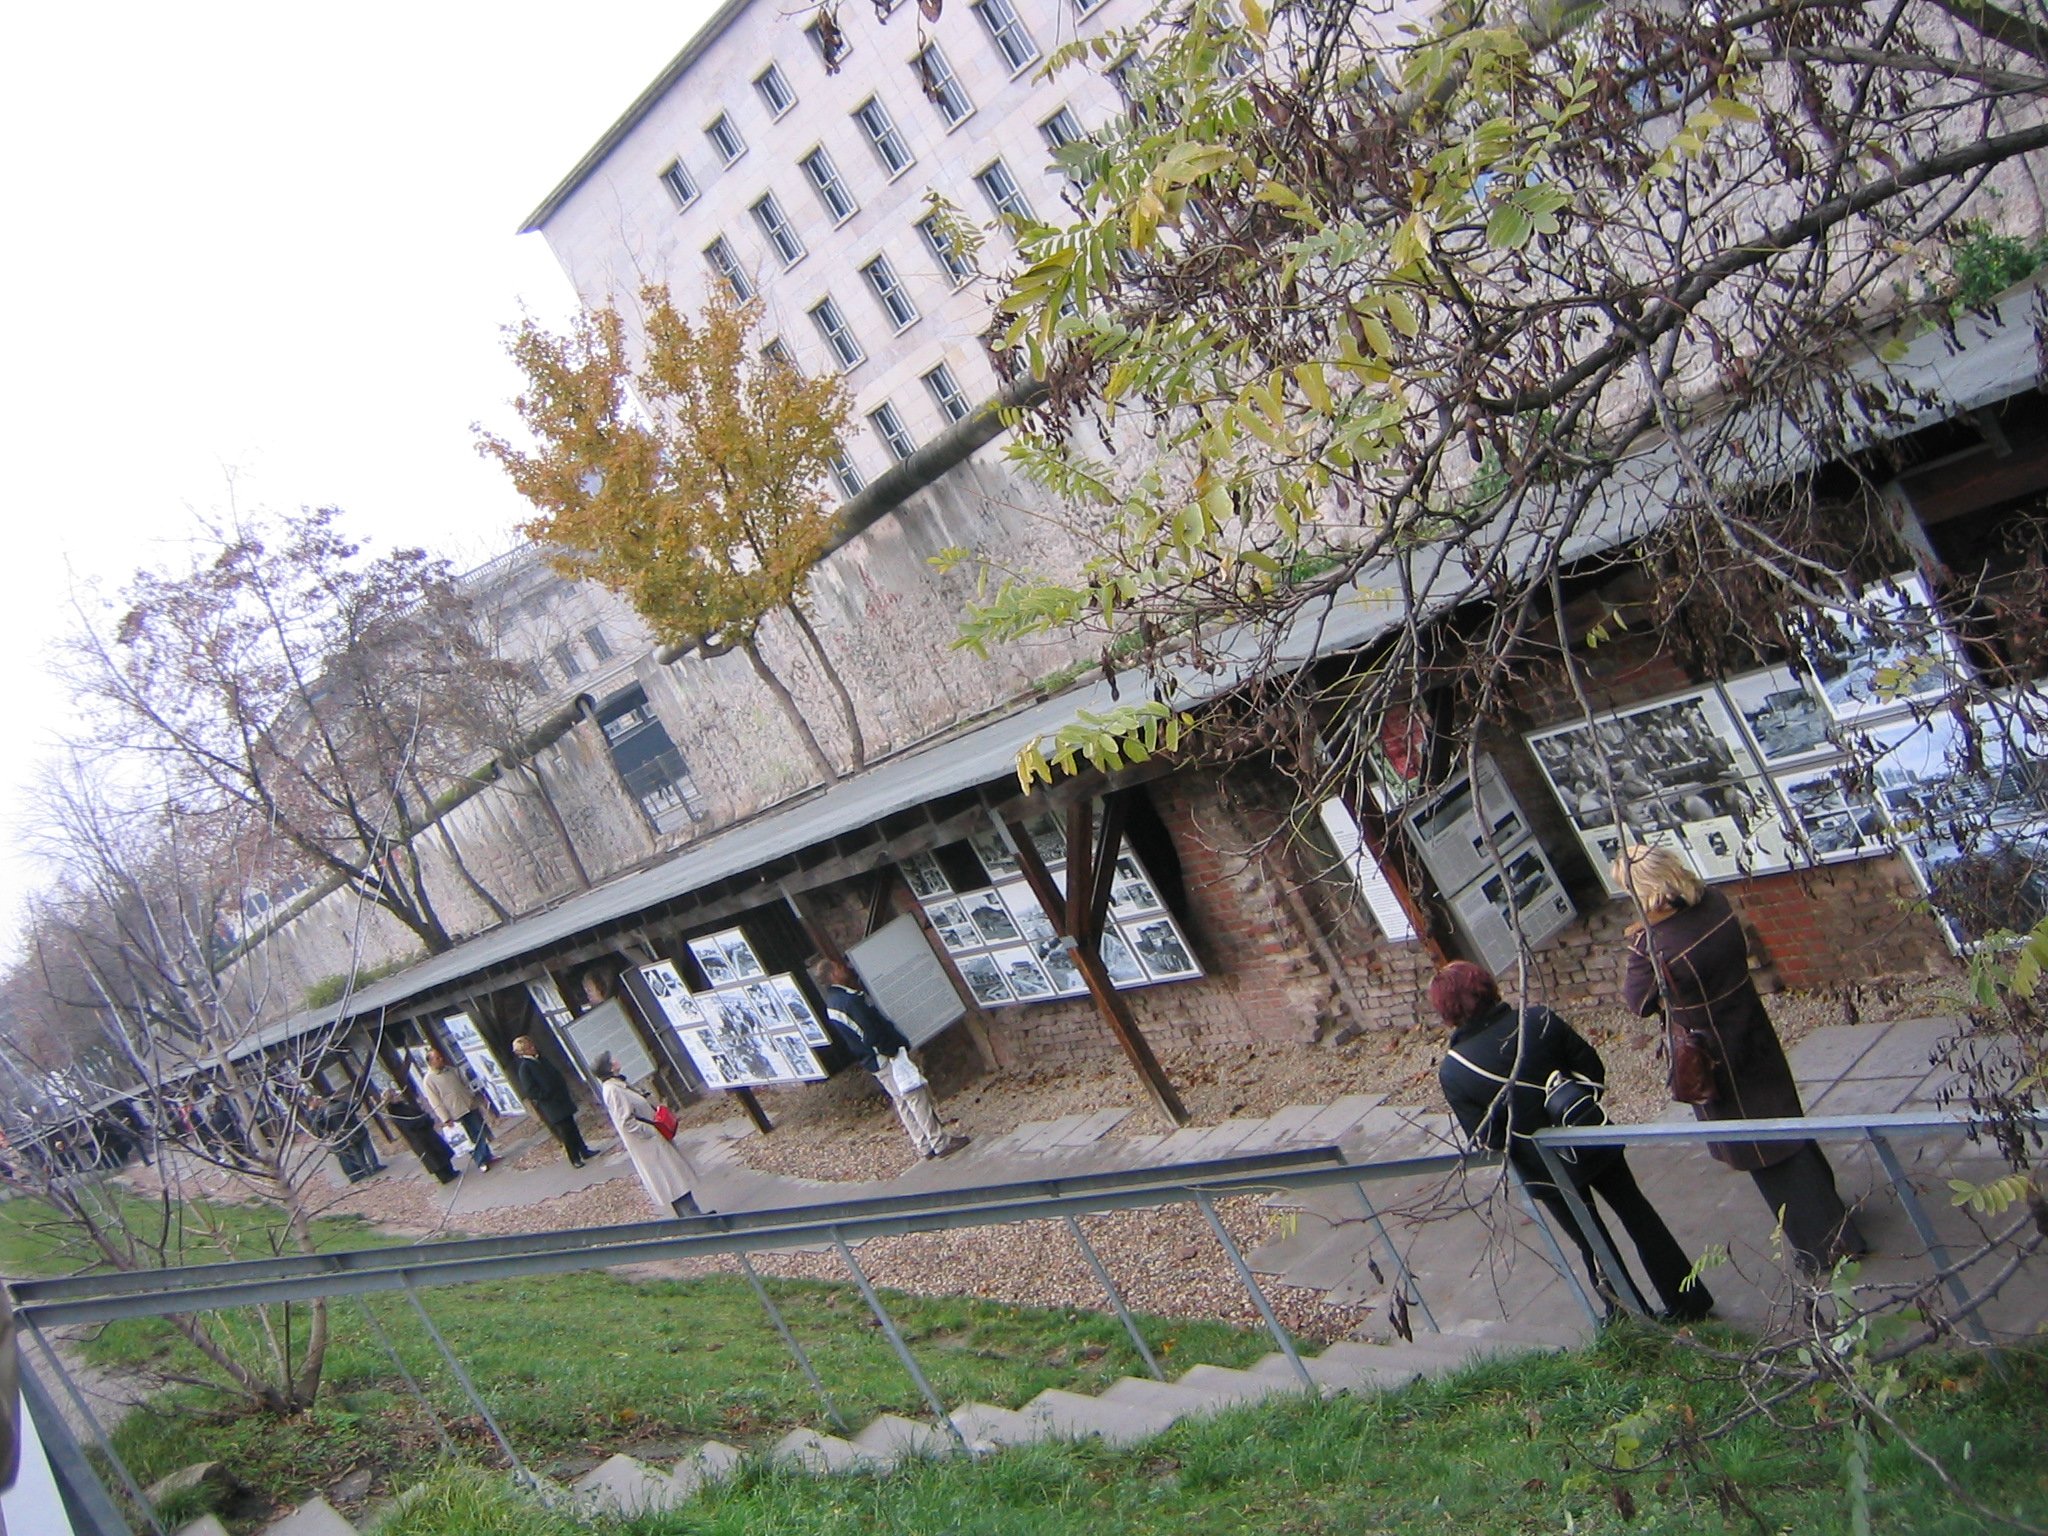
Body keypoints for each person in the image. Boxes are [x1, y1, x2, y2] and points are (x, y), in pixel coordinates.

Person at [1613, 845, 1866, 1272]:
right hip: (1749, 1023)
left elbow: (1638, 1002)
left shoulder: (1652, 946)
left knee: (1763, 1151)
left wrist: (1640, 944)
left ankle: (1827, 1248)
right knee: (1787, 1123)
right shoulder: (1714, 902)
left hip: (1713, 1054)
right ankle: (1836, 1217)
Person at [1431, 961, 1714, 1322]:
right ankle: (1689, 1301)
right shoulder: (1537, 1020)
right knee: (1640, 1217)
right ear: (1487, 988)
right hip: (1590, 1137)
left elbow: (1488, 1137)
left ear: (1447, 1010)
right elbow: (1592, 1071)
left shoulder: (1454, 1071)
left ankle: (1630, 1319)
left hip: (1545, 1168)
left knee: (1591, 1242)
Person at [814, 957, 967, 1159]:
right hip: (884, 1057)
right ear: (833, 974)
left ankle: (923, 1144)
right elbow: (870, 1032)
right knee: (914, 1095)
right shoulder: (849, 1001)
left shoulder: (832, 1004)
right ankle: (939, 1142)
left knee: (901, 1100)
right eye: (839, 968)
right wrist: (892, 1050)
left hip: (872, 1060)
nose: (845, 969)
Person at [591, 1053, 700, 1217]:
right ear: (609, 1068)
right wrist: (652, 1130)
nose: (616, 1059)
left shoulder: (618, 1084)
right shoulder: (613, 1090)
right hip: (648, 1143)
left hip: (652, 1139)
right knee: (672, 1179)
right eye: (612, 1060)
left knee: (674, 1179)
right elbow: (626, 1121)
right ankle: (693, 1217)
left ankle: (692, 1215)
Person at [512, 1036, 597, 1168]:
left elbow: (555, 1074)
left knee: (572, 1127)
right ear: (522, 1052)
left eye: (532, 1045)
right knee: (565, 1132)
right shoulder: (525, 1068)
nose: (533, 1048)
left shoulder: (541, 1059)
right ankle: (574, 1157)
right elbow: (531, 1091)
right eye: (528, 1048)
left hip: (561, 1098)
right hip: (551, 1104)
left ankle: (583, 1150)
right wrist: (546, 1094)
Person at [418, 1048, 496, 1173]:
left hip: (469, 1105)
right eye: (437, 1058)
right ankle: (481, 1160)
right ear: (431, 1062)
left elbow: (465, 1084)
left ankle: (488, 1155)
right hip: (455, 1112)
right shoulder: (429, 1080)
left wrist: (474, 1097)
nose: (441, 1059)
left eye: (440, 1057)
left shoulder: (452, 1070)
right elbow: (435, 1101)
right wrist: (445, 1118)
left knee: (480, 1131)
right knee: (470, 1137)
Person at [382, 1085, 457, 1184]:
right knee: (433, 1158)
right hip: (419, 1138)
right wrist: (422, 1121)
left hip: (427, 1132)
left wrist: (426, 1119)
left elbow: (419, 1113)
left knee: (440, 1152)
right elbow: (409, 1125)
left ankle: (450, 1171)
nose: (398, 1096)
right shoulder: (394, 1113)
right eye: (394, 1095)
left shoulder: (403, 1105)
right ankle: (444, 1176)